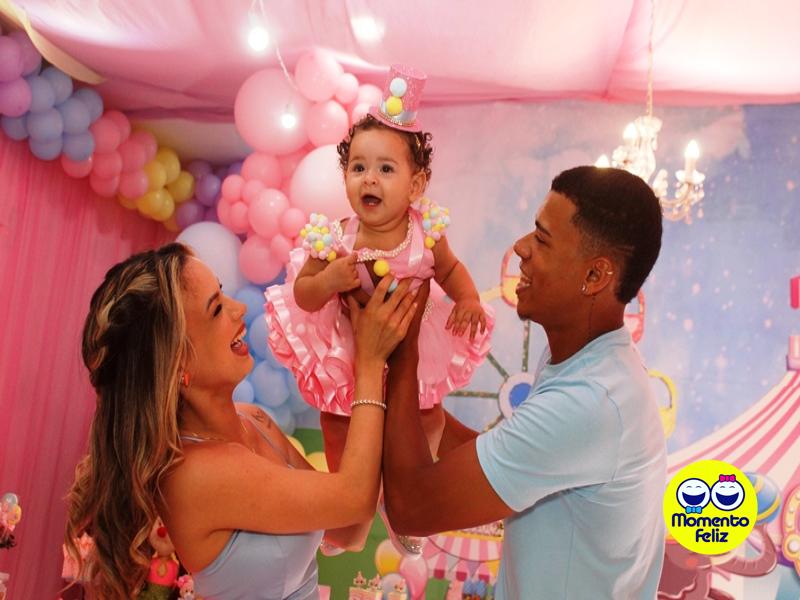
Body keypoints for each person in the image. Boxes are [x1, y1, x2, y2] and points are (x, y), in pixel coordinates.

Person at [64, 242, 421, 600]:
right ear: (179, 363)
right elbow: (354, 499)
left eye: (222, 292)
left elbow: (348, 530)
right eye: (217, 309)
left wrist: (365, 355)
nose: (240, 309)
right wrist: (369, 363)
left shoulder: (254, 421)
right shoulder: (193, 473)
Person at [382, 166, 667, 599]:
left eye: (542, 239)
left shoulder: (590, 402)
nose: (520, 247)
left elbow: (411, 509)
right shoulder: (586, 361)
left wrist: (401, 348)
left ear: (595, 276)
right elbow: (513, 458)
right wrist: (429, 416)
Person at [264, 65, 494, 553]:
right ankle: (344, 515)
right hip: (353, 352)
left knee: (427, 421)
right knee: (340, 428)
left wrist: (469, 298)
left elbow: (450, 270)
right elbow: (303, 295)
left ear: (416, 184)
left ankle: (404, 502)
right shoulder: (335, 236)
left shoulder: (426, 232)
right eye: (358, 167)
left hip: (412, 344)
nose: (369, 178)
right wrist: (327, 280)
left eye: (386, 169)